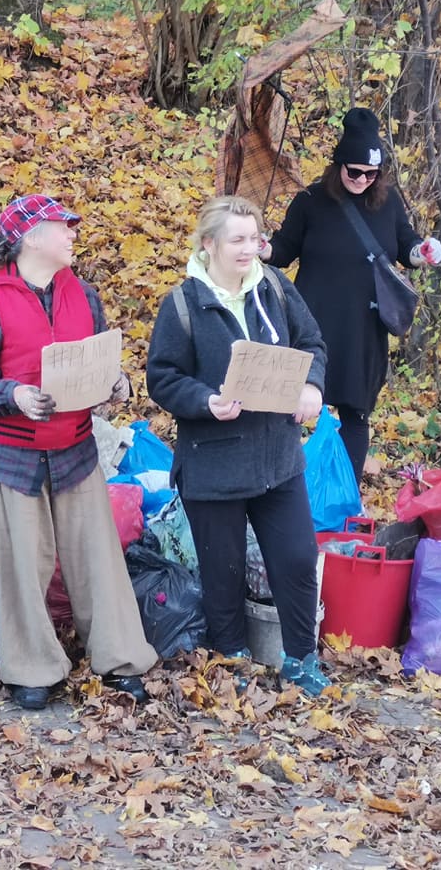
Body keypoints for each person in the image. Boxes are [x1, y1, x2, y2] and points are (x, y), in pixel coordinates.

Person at [0, 193, 157, 710]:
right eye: (61, 226)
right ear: (28, 238)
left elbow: (99, 362)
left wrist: (116, 385)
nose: (72, 233)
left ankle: (120, 659)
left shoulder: (84, 296)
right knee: (24, 566)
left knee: (98, 559)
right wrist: (15, 395)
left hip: (75, 451)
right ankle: (33, 670)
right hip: (12, 460)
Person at [148, 194, 332, 695]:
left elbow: (313, 343)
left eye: (255, 238)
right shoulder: (182, 305)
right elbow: (162, 379)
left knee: (296, 559)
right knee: (222, 570)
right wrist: (206, 401)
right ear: (208, 244)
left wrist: (312, 387)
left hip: (278, 459)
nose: (250, 249)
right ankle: (232, 659)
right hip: (213, 466)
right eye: (238, 240)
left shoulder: (275, 287)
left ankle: (300, 658)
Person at [262, 106, 441, 484]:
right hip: (311, 324)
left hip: (363, 326)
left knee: (356, 413)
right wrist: (262, 249)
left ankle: (345, 493)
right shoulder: (311, 200)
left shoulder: (388, 201)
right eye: (354, 171)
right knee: (292, 409)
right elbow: (282, 249)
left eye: (370, 174)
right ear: (339, 165)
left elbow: (405, 245)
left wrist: (421, 253)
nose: (361, 179)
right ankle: (285, 487)